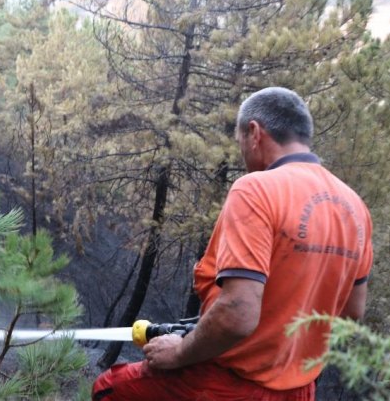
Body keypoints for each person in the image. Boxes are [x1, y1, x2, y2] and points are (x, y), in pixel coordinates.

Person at [92, 87, 374, 401]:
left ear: (254, 132)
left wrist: (181, 351)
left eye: (239, 141)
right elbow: (351, 313)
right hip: (300, 390)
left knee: (109, 389)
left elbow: (238, 314)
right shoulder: (355, 207)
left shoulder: (256, 190)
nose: (241, 153)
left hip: (227, 386)